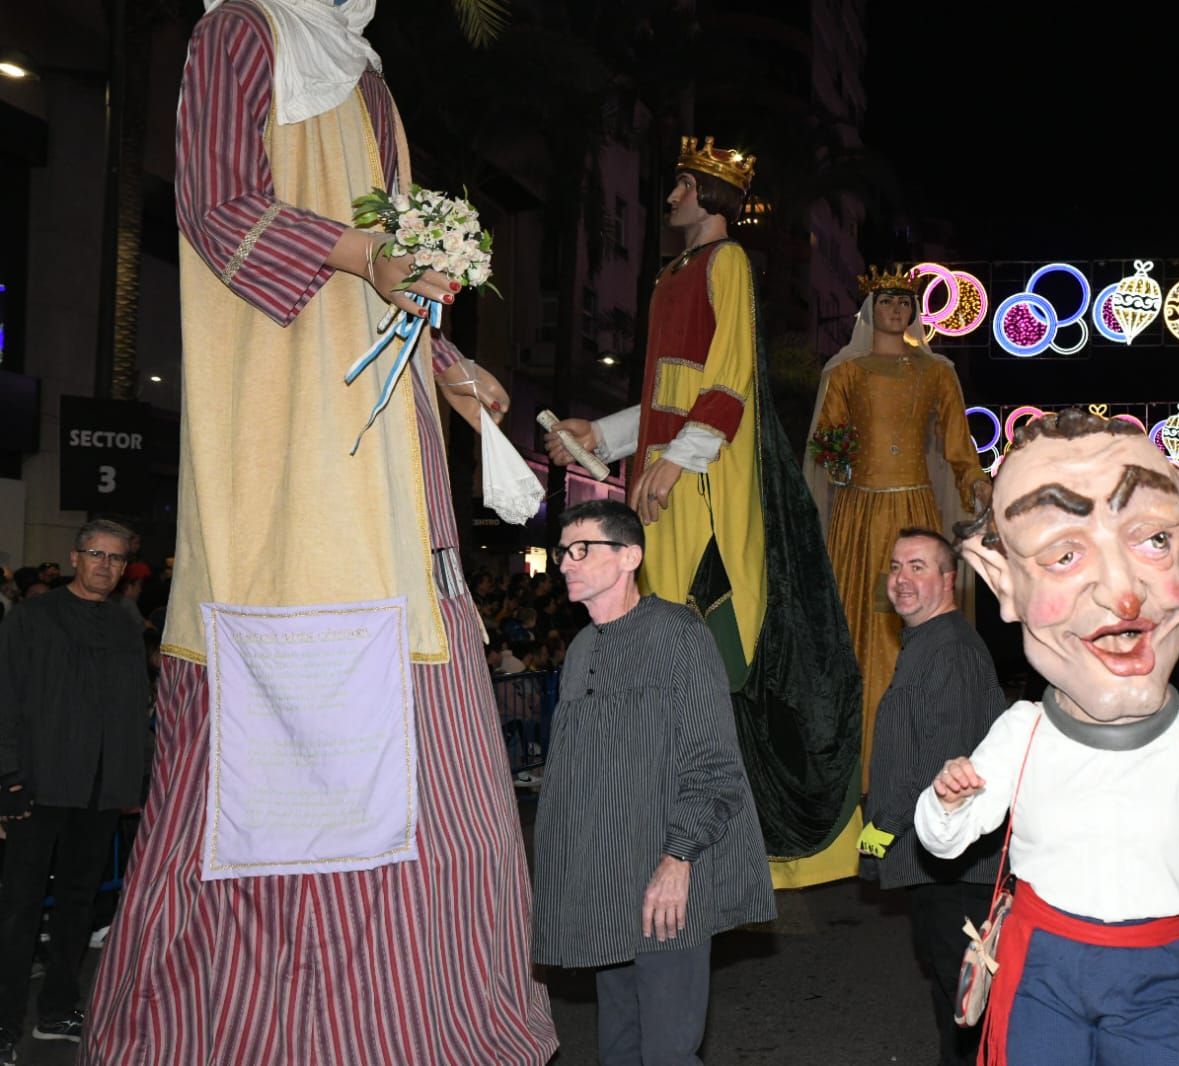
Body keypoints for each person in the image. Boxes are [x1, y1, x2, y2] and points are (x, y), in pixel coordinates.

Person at [82, 4, 556, 1062]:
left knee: (454, 801)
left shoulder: (369, 76)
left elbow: (390, 289)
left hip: (395, 485)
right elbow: (216, 207)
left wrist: (450, 368)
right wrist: (366, 254)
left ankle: (424, 1023)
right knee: (285, 790)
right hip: (293, 485)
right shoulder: (238, 34)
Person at [545, 137, 860, 886]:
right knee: (660, 634)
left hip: (707, 481)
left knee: (705, 639)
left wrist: (674, 460)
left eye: (684, 184)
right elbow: (667, 392)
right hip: (671, 473)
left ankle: (721, 828)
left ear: (712, 197)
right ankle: (662, 815)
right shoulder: (673, 274)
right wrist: (608, 435)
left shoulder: (727, 262)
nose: (672, 194)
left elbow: (726, 381)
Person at [915, 409, 1179, 1064]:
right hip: (1041, 969)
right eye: (1063, 552)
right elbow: (945, 838)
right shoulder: (1022, 732)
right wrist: (947, 800)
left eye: (1151, 541)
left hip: (1154, 971)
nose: (1121, 593)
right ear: (1001, 580)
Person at [533, 500, 774, 1064]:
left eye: (582, 549)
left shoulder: (677, 635)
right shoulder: (583, 648)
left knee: (667, 1052)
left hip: (664, 885)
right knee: (619, 1047)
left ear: (629, 557)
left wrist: (678, 859)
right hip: (604, 885)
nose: (567, 563)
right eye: (563, 552)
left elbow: (714, 764)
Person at [803, 265, 992, 785]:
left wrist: (975, 481)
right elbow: (827, 444)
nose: (896, 310)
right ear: (869, 308)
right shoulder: (844, 372)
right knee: (857, 629)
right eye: (887, 301)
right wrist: (841, 462)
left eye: (905, 302)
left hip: (913, 511)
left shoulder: (937, 373)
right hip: (859, 520)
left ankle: (919, 765)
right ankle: (852, 774)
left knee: (917, 630)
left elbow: (958, 445)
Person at [0, 521, 150, 1059]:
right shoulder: (32, 618)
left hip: (100, 792)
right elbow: (6, 696)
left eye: (116, 558)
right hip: (38, 787)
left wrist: (132, 780)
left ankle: (57, 1010)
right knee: (17, 910)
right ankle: (3, 1024)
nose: (106, 566)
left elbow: (134, 709)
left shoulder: (124, 627)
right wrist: (8, 777)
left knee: (77, 907)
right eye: (96, 554)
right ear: (73, 557)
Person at [858, 529, 1005, 1066]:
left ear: (949, 579)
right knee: (955, 1003)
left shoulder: (952, 650)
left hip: (955, 869)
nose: (902, 579)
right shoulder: (928, 645)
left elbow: (942, 765)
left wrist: (880, 830)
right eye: (896, 566)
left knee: (969, 1008)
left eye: (918, 567)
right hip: (937, 863)